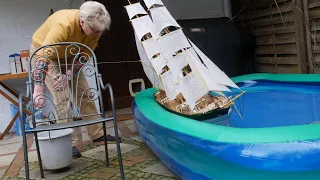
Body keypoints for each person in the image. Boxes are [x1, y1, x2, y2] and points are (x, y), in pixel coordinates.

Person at [30, 1, 121, 158]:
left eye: (100, 31)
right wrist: (38, 88)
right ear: (82, 21)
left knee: (85, 92)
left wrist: (69, 74)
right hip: (45, 55)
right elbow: (43, 56)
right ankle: (68, 143)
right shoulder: (63, 25)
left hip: (70, 55)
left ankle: (97, 135)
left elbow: (83, 56)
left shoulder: (94, 30)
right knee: (62, 96)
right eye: (94, 30)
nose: (97, 34)